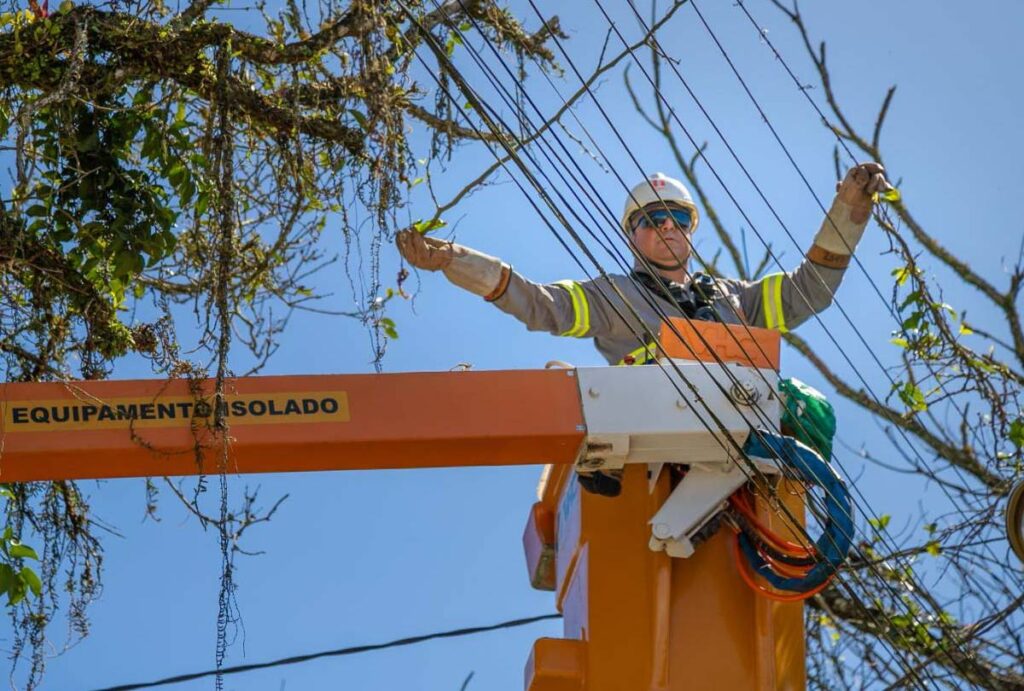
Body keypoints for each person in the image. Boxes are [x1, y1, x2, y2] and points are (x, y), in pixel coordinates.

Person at [397, 163, 890, 495]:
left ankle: (789, 494)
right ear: (633, 235)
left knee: (812, 409)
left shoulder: (734, 298)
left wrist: (848, 214)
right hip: (661, 431)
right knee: (572, 386)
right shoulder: (613, 296)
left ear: (691, 229)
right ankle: (603, 462)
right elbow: (540, 304)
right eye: (653, 220)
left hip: (741, 430)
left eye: (677, 217)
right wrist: (454, 261)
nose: (668, 227)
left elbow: (811, 292)